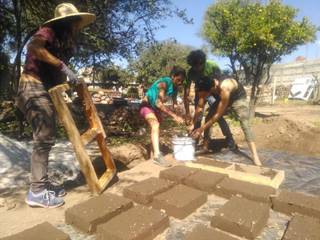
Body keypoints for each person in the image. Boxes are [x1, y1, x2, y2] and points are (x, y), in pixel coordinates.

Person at [15, 3, 96, 208]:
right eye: (76, 23)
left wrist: (70, 82)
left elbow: (57, 73)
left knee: (47, 137)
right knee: (44, 136)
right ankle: (37, 192)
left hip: (45, 88)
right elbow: (34, 48)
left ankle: (41, 183)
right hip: (32, 86)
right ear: (68, 22)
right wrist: (61, 66)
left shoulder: (63, 43)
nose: (78, 27)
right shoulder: (48, 31)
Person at [190, 77, 262, 166]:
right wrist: (193, 124)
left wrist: (201, 129)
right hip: (221, 97)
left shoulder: (224, 87)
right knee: (208, 117)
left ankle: (255, 156)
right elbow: (200, 107)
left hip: (237, 97)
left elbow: (218, 115)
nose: (203, 97)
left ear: (210, 89)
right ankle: (205, 146)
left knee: (244, 123)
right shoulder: (206, 87)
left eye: (205, 95)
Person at [184, 50, 237, 150]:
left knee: (217, 116)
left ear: (203, 62)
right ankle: (194, 142)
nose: (197, 68)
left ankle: (228, 140)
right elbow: (186, 91)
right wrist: (187, 111)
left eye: (199, 66)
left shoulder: (212, 65)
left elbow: (220, 82)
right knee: (198, 117)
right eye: (194, 67)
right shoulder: (190, 73)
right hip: (200, 93)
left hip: (213, 93)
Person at [140, 66, 186, 167]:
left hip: (155, 109)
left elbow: (174, 104)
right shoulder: (165, 83)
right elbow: (158, 103)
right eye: (178, 80)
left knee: (156, 128)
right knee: (155, 125)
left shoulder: (175, 88)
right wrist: (174, 116)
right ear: (173, 76)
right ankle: (157, 156)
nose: (180, 82)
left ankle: (152, 154)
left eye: (182, 81)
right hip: (146, 105)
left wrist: (181, 115)